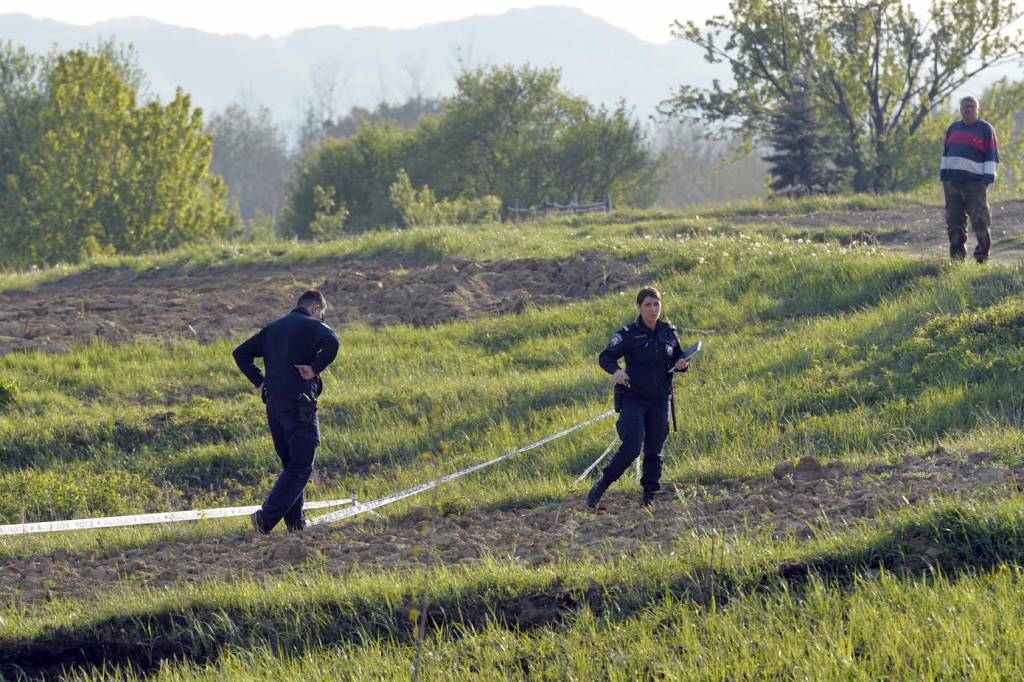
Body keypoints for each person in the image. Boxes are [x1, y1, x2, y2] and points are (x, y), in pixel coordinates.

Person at [232, 289, 340, 533]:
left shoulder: (274, 328)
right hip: (299, 405)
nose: (321, 318)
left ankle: (295, 524)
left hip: (274, 407)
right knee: (301, 465)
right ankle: (265, 518)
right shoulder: (312, 325)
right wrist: (314, 369)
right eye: (321, 314)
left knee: (291, 465)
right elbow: (333, 342)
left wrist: (260, 381)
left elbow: (241, 354)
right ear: (315, 309)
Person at [588, 286, 692, 509]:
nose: (653, 309)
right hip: (634, 398)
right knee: (633, 443)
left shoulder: (668, 332)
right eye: (648, 305)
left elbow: (679, 358)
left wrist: (683, 365)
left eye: (656, 304)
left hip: (660, 399)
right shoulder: (628, 334)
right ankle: (603, 484)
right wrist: (616, 371)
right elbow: (606, 357)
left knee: (655, 448)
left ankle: (649, 494)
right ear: (639, 307)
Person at [940, 95, 999, 263]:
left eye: (972, 106)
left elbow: (992, 154)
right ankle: (957, 259)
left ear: (977, 109)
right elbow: (946, 153)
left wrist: (986, 180)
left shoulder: (985, 129)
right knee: (954, 223)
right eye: (965, 106)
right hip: (953, 183)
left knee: (980, 222)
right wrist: (944, 176)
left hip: (975, 183)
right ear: (960, 109)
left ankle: (982, 258)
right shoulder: (953, 128)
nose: (968, 109)